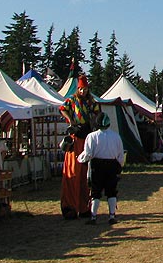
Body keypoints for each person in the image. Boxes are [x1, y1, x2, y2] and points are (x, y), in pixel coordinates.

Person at [59, 74, 101, 219]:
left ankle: (84, 207)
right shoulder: (72, 100)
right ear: (78, 89)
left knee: (86, 176)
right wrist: (70, 120)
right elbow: (62, 108)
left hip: (87, 137)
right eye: (81, 89)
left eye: (85, 89)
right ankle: (69, 206)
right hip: (75, 138)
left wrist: (94, 122)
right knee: (72, 172)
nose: (83, 91)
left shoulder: (92, 101)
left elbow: (98, 113)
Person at [78, 113, 125, 225]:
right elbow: (120, 155)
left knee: (95, 192)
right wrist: (119, 166)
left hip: (97, 166)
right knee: (112, 191)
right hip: (112, 165)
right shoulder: (116, 136)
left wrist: (80, 159)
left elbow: (88, 154)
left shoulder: (92, 136)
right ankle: (112, 216)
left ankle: (93, 217)